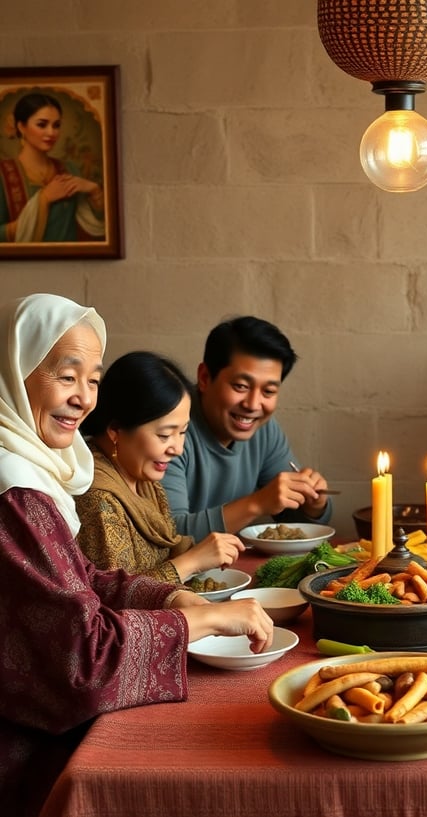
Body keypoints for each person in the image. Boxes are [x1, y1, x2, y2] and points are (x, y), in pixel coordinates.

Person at [0, 294, 273, 817]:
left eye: (93, 379)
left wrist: (172, 595)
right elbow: (86, 662)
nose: (83, 398)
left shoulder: (37, 472)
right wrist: (207, 617)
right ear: (16, 371)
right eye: (66, 376)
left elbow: (85, 580)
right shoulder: (17, 494)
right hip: (26, 758)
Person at [75, 351, 245, 584]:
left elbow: (169, 548)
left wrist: (205, 550)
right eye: (165, 435)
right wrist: (192, 561)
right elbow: (113, 600)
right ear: (115, 430)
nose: (177, 449)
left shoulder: (144, 480)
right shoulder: (97, 499)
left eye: (183, 432)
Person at [164, 315, 333, 540]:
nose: (253, 405)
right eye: (241, 386)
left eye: (269, 391)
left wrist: (315, 505)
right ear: (204, 377)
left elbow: (294, 524)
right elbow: (170, 534)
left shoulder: (264, 431)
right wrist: (257, 503)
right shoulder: (168, 428)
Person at [0, 92, 105, 243]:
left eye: (56, 125)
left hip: (68, 263)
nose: (51, 133)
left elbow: (95, 226)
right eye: (42, 125)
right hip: (20, 265)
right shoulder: (3, 173)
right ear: (21, 127)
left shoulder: (69, 169)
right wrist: (44, 199)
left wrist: (95, 191)